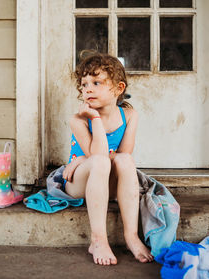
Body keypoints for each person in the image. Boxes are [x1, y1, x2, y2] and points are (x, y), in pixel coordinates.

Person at [62, 52, 154, 266]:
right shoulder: (78, 120)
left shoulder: (129, 115)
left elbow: (125, 153)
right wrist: (94, 119)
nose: (88, 89)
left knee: (125, 161)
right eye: (84, 85)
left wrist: (82, 158)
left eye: (96, 82)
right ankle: (98, 240)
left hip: (107, 182)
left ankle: (131, 236)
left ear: (119, 88)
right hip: (79, 183)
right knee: (101, 161)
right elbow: (100, 155)